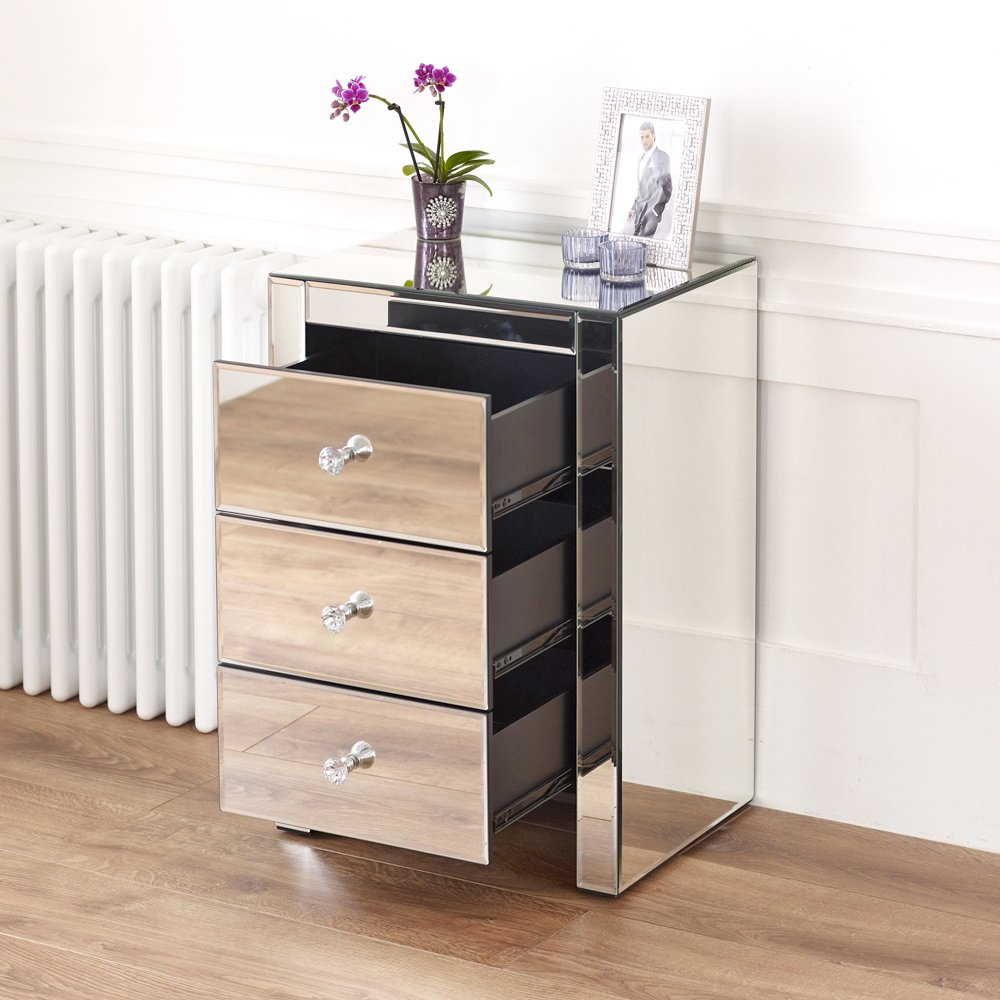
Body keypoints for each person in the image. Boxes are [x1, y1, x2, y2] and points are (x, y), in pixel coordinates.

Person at [626, 121, 672, 237]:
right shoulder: (641, 158)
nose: (644, 140)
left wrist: (655, 211)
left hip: (651, 214)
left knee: (646, 244)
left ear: (654, 136)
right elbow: (641, 188)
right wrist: (633, 208)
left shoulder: (662, 156)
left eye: (647, 136)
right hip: (638, 213)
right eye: (642, 137)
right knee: (637, 243)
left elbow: (667, 188)